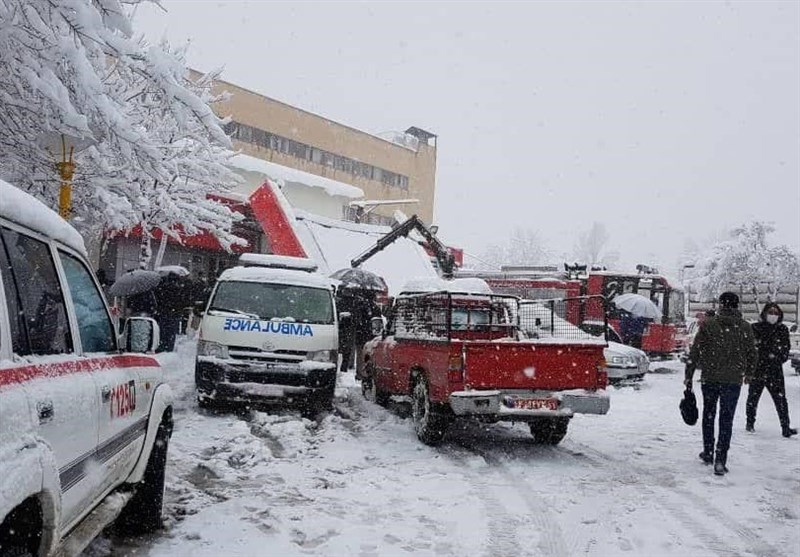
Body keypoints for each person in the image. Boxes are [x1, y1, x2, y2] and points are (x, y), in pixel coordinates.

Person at [684, 291, 757, 476]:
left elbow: (695, 351)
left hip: (710, 378)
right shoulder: (745, 327)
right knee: (727, 419)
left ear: (721, 305)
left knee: (709, 415)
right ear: (737, 305)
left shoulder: (708, 325)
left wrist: (689, 374)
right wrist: (749, 373)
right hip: (733, 380)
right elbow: (752, 353)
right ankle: (720, 459)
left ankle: (708, 451)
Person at [746, 302, 797, 437]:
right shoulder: (755, 328)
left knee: (781, 400)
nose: (773, 315)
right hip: (758, 369)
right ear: (765, 313)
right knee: (753, 397)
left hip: (775, 371)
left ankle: (785, 427)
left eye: (776, 313)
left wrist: (777, 358)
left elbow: (785, 349)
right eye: (771, 312)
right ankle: (750, 423)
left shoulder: (782, 330)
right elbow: (751, 349)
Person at [336, 288, 381, 377]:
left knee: (357, 351)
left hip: (359, 332)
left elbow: (357, 318)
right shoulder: (374, 307)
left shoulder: (359, 305)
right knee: (367, 354)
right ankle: (365, 372)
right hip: (370, 334)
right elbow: (378, 321)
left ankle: (357, 370)